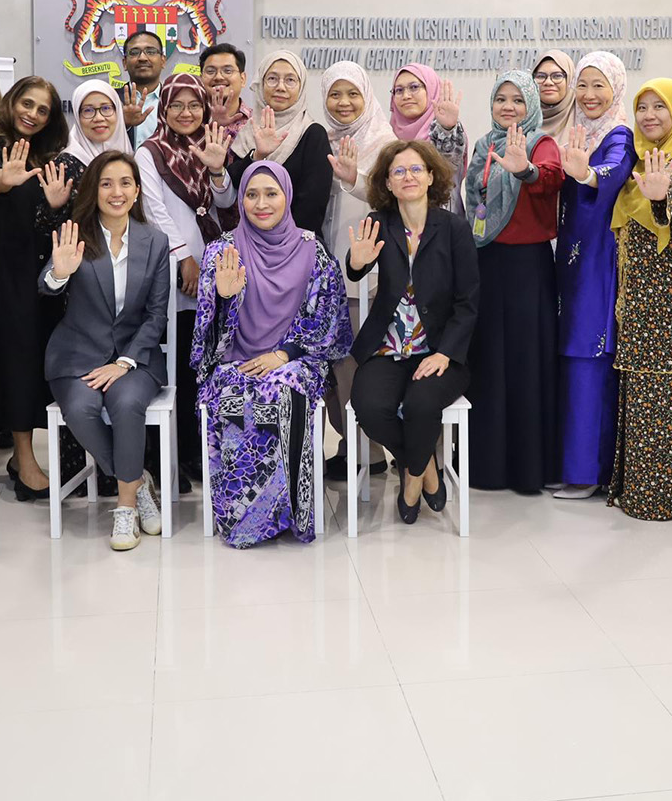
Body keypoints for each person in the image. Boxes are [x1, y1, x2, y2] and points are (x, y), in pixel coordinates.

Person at [193, 162, 351, 546]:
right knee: (232, 393)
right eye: (251, 194)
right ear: (241, 199)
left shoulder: (312, 249)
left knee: (283, 391)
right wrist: (226, 297)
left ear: (287, 197)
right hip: (237, 360)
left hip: (297, 361)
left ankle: (291, 511)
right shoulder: (222, 250)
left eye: (271, 194)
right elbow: (205, 337)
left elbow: (329, 316)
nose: (261, 203)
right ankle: (244, 519)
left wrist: (285, 354)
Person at [41, 152, 171, 550]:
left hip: (135, 356)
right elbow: (46, 287)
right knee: (79, 409)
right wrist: (59, 273)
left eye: (125, 183)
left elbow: (156, 314)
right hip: (76, 354)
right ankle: (137, 481)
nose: (117, 192)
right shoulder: (75, 234)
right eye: (107, 183)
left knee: (126, 402)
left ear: (136, 190)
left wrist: (125, 362)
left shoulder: (156, 241)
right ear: (94, 190)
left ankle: (126, 506)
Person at [345, 141, 479, 522]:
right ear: (387, 182)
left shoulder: (453, 228)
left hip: (439, 350)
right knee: (370, 408)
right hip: (387, 348)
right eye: (399, 171)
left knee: (422, 405)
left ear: (431, 176)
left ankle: (412, 479)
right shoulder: (379, 223)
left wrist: (445, 353)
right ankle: (422, 468)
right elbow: (356, 266)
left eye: (416, 169)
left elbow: (468, 301)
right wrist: (355, 264)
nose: (408, 177)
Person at [0, 76, 78, 498]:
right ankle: (25, 458)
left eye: (42, 109)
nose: (32, 114)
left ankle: (21, 456)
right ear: (12, 103)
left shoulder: (52, 156)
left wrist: (51, 205)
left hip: (43, 277)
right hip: (2, 277)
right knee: (16, 361)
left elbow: (53, 217)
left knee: (37, 362)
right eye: (26, 104)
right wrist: (2, 180)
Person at [609, 79, 672, 521]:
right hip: (643, 298)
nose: (649, 115)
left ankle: (667, 499)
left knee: (670, 393)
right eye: (642, 107)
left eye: (659, 107)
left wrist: (663, 191)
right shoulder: (638, 154)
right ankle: (638, 492)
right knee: (643, 391)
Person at [463, 70, 562, 494]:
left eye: (518, 100)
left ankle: (527, 469)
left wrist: (526, 173)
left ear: (531, 106)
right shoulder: (485, 146)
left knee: (524, 363)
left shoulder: (542, 144)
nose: (508, 107)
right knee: (488, 363)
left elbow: (554, 178)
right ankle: (486, 467)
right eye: (501, 99)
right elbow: (471, 197)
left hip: (528, 268)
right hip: (486, 263)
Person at [138, 72, 238, 491]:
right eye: (176, 105)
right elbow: (153, 208)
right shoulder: (150, 152)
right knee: (175, 364)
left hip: (220, 268)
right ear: (164, 109)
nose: (185, 113)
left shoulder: (213, 145)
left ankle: (202, 453)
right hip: (173, 269)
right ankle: (169, 459)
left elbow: (229, 204)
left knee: (209, 366)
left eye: (193, 105)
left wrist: (217, 170)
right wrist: (184, 260)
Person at [551, 52, 634, 498]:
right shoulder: (578, 131)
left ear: (616, 87)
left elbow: (616, 168)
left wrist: (588, 173)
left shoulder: (618, 133)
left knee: (589, 354)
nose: (588, 95)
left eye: (598, 85)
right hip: (572, 257)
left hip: (599, 257)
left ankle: (589, 472)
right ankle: (571, 464)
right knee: (571, 353)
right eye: (582, 86)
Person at [317, 60, 395, 475]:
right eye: (335, 93)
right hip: (323, 267)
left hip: (366, 270)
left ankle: (371, 452)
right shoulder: (319, 137)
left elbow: (393, 195)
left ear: (367, 96)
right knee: (331, 360)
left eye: (353, 93)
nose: (344, 103)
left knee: (356, 360)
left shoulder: (385, 142)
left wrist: (354, 179)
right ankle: (349, 445)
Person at [231, 51, 332, 235]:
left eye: (290, 80)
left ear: (301, 87)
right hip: (248, 240)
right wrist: (257, 156)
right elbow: (233, 188)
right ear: (261, 83)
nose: (280, 87)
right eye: (272, 79)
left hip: (295, 245)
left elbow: (312, 206)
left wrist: (281, 244)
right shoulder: (249, 130)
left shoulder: (312, 134)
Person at [389, 61, 468, 215]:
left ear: (431, 89)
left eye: (414, 87)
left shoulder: (444, 130)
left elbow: (449, 162)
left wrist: (447, 129)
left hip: (442, 227)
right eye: (399, 90)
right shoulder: (388, 134)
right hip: (399, 226)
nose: (406, 96)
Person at [118, 30, 169, 147]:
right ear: (125, 63)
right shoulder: (111, 100)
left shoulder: (174, 100)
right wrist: (124, 124)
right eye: (134, 52)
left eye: (150, 52)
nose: (142, 58)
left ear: (163, 61)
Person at [199, 42, 250, 133]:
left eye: (227, 71)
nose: (218, 77)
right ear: (200, 78)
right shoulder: (192, 120)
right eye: (210, 71)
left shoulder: (257, 123)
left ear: (242, 79)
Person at [533, 50, 577, 140]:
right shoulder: (522, 119)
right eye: (541, 76)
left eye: (557, 76)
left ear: (570, 79)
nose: (548, 82)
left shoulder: (583, 118)